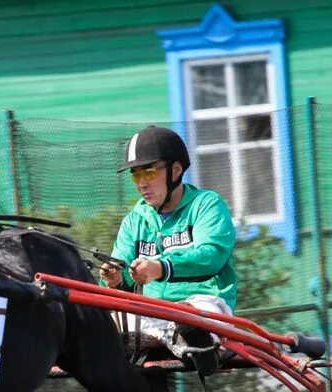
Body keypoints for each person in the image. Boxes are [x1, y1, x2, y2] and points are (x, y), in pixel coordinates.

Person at [99, 125, 237, 375]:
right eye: (135, 175)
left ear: (176, 170)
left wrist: (161, 267)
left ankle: (197, 343)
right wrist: (115, 279)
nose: (141, 183)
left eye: (149, 172)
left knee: (193, 320)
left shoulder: (206, 205)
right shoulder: (134, 220)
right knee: (96, 326)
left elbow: (211, 256)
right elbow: (124, 274)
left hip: (203, 304)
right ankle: (191, 345)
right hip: (148, 312)